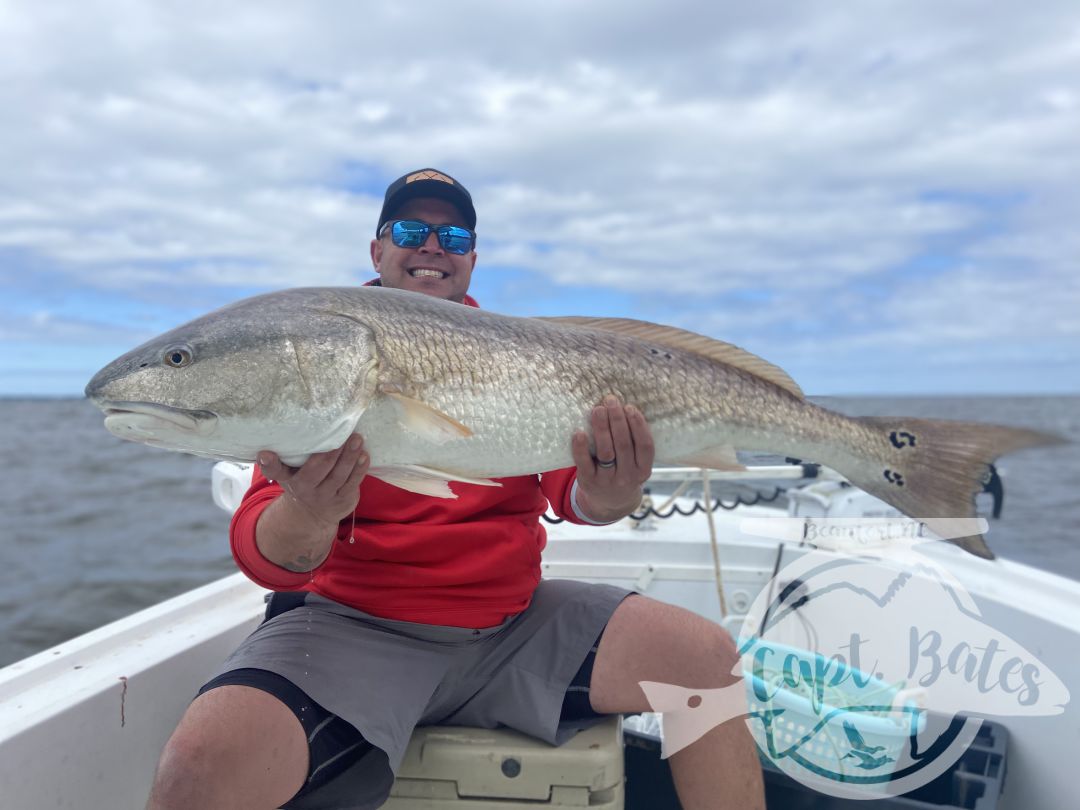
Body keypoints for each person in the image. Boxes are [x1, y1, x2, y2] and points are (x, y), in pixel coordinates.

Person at [147, 169, 765, 810]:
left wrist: (615, 491)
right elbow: (270, 556)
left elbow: (577, 499)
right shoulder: (314, 350)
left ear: (472, 256)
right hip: (354, 633)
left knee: (703, 657)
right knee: (199, 771)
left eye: (454, 234)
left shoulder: (531, 353)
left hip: (514, 629)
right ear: (377, 250)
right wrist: (309, 509)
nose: (433, 246)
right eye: (412, 230)